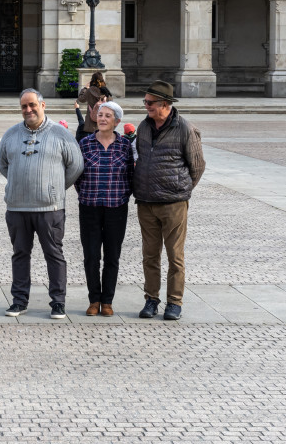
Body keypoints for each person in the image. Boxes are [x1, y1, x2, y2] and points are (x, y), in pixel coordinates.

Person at [0, 88, 83, 319]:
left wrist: (52, 187)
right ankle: (19, 301)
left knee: (54, 254)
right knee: (20, 254)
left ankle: (58, 302)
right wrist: (21, 184)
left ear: (42, 106)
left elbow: (75, 166)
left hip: (49, 208)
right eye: (24, 106)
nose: (28, 110)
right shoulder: (11, 134)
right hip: (17, 207)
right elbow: (3, 164)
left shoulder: (60, 134)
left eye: (32, 105)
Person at [134, 81, 205, 321]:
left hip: (173, 203)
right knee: (150, 255)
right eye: (145, 102)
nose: (146, 106)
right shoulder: (144, 127)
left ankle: (174, 302)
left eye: (150, 103)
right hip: (146, 201)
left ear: (165, 104)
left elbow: (197, 166)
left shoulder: (185, 129)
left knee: (175, 256)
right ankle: (151, 300)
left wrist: (180, 189)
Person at [74, 101, 133, 317]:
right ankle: (93, 299)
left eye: (108, 115)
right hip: (89, 206)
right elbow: (77, 175)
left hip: (116, 207)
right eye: (100, 115)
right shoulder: (85, 143)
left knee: (112, 256)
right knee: (91, 255)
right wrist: (85, 194)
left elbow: (130, 176)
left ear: (117, 121)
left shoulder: (125, 145)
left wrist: (123, 195)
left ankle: (107, 300)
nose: (102, 118)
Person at [76, 72, 111, 143]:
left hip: (91, 123)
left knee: (91, 144)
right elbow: (111, 103)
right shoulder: (105, 92)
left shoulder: (89, 91)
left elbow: (81, 99)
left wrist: (85, 88)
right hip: (103, 122)